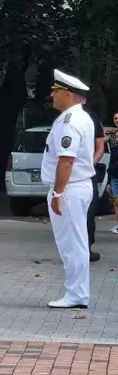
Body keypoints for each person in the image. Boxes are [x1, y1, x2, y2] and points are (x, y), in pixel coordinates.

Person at [43, 70, 96, 309]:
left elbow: (66, 160)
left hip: (70, 189)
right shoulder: (80, 117)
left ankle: (76, 294)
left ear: (66, 94)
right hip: (76, 187)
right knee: (74, 241)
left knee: (72, 243)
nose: (51, 95)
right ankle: (77, 292)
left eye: (55, 91)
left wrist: (57, 192)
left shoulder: (70, 121)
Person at [83, 107, 105, 263]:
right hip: (69, 174)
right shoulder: (62, 120)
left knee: (89, 211)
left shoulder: (91, 119)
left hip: (87, 174)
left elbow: (100, 148)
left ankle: (86, 248)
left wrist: (88, 168)